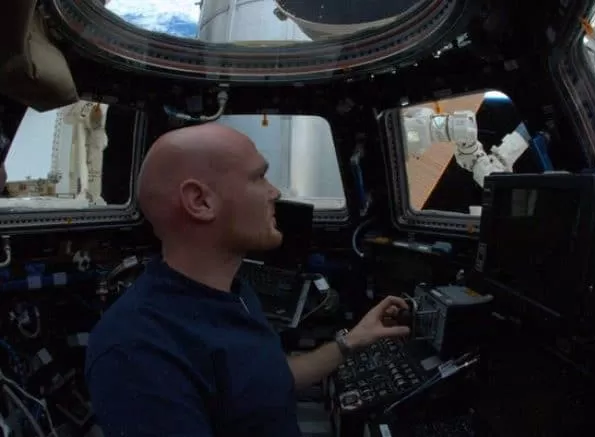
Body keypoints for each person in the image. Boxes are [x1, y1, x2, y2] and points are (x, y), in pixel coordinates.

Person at [85, 123, 411, 437]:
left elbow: (264, 382)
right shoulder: (136, 351)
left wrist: (351, 342)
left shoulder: (236, 292)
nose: (275, 192)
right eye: (258, 177)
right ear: (200, 201)